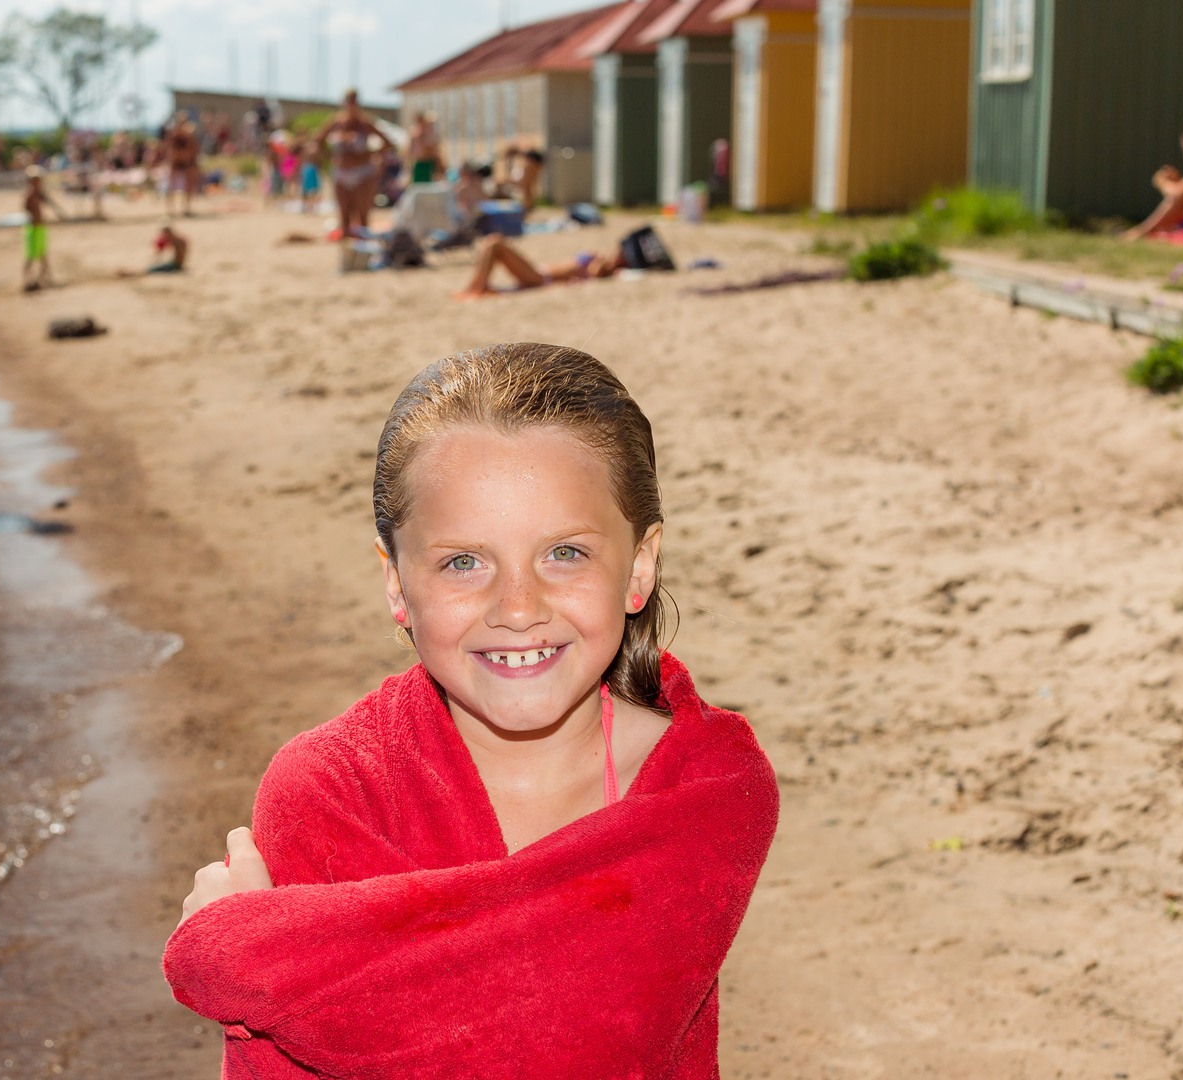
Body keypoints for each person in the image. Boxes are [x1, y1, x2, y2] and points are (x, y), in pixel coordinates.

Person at [164, 344, 777, 1076]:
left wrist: (246, 951)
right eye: (464, 562)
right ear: (396, 583)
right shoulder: (333, 790)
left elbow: (569, 1032)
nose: (518, 608)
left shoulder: (707, 784)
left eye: (565, 554)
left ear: (639, 566)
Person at [313, 89, 393, 238]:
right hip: (341, 171)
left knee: (362, 216)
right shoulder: (336, 122)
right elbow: (318, 140)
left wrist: (371, 154)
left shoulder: (365, 123)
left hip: (362, 172)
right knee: (344, 216)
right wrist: (328, 157)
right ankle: (348, 256)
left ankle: (362, 253)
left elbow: (387, 143)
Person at [455, 233, 626, 299]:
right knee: (494, 244)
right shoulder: (600, 258)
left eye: (621, 252)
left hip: (540, 277)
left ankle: (475, 288)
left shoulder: (604, 267)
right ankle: (476, 287)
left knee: (495, 244)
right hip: (539, 271)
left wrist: (605, 263)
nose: (617, 250)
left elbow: (595, 273)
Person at [21, 165, 65, 292]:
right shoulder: (30, 195)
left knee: (42, 254)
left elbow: (50, 204)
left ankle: (45, 278)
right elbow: (27, 210)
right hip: (33, 229)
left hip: (39, 228)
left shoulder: (38, 194)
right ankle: (27, 279)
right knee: (31, 256)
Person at [164, 113, 202, 216]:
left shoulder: (190, 136)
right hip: (176, 163)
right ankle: (170, 209)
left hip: (188, 164)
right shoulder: (174, 136)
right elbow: (170, 149)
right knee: (172, 186)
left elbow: (194, 150)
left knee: (189, 186)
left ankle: (187, 208)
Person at [408, 111, 443, 185]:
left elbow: (433, 150)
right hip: (420, 163)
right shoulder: (415, 133)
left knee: (429, 185)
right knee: (418, 185)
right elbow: (411, 151)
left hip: (429, 163)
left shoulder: (430, 134)